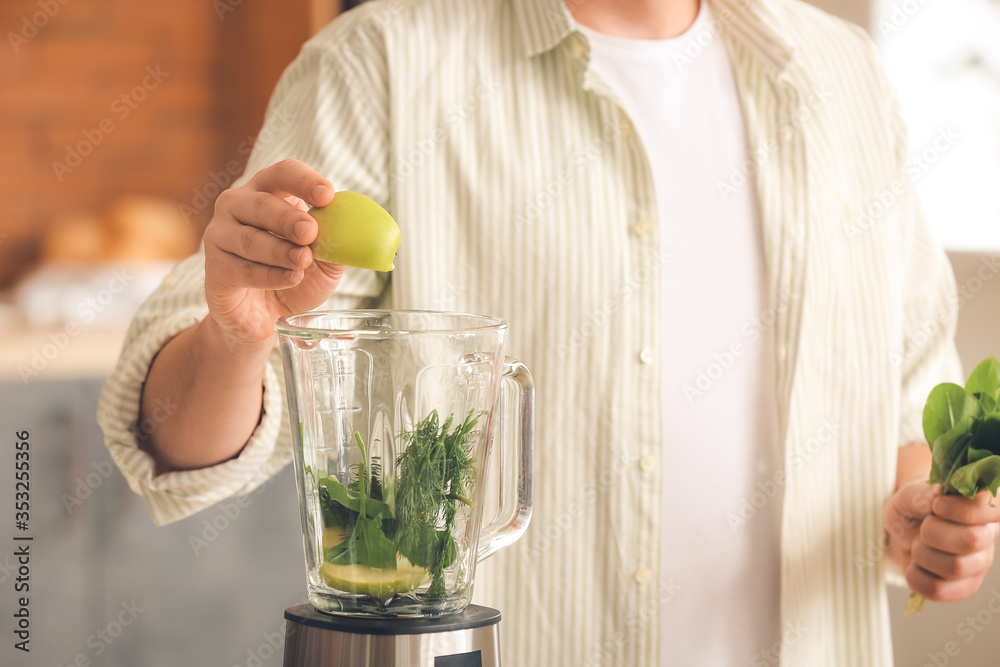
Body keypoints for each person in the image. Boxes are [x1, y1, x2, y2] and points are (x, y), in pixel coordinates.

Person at [97, 0, 1000, 664]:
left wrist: (919, 525)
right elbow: (184, 444)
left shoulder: (840, 72)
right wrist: (235, 333)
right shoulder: (385, 61)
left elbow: (904, 402)